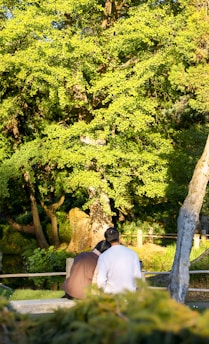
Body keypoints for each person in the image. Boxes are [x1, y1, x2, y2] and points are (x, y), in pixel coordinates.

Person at [97, 227, 142, 294]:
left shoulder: (103, 256)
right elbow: (137, 276)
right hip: (129, 295)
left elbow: (101, 280)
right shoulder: (133, 254)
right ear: (119, 237)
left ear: (106, 240)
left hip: (111, 296)